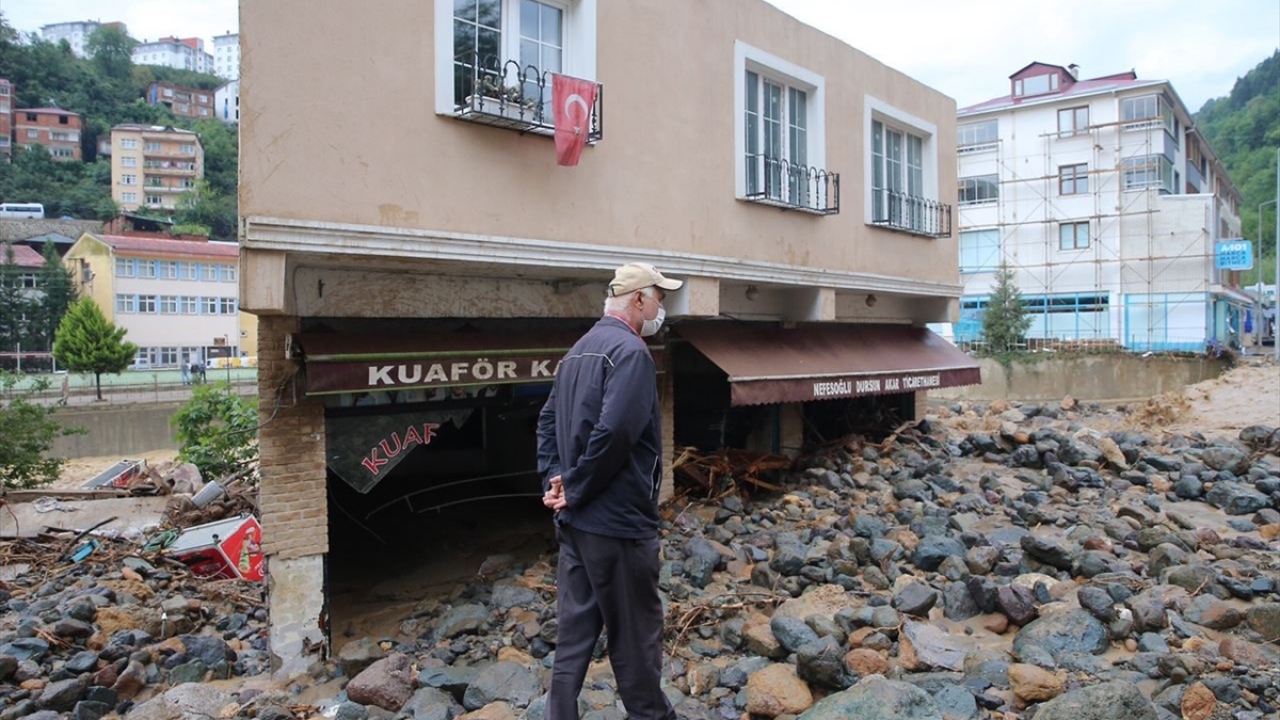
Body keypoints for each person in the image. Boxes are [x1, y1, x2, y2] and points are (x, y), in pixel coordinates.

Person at [536, 262, 682, 720]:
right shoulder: (632, 352)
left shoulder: (577, 351)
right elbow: (615, 432)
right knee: (636, 638)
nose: (662, 307)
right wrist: (572, 486)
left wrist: (555, 482)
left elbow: (544, 424)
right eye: (660, 297)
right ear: (638, 299)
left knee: (574, 637)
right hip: (617, 525)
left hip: (575, 525)